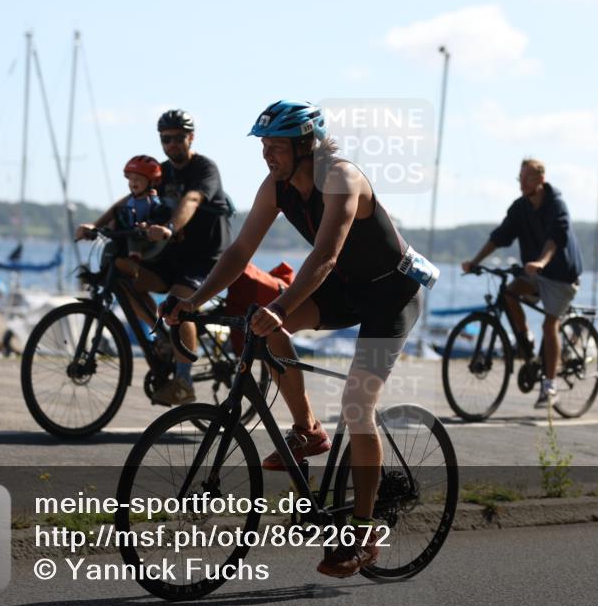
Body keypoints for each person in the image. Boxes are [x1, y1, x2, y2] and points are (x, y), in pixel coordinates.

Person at [162, 100, 425, 578]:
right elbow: (241, 250)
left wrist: (280, 307)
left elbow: (325, 254)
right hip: (347, 289)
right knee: (266, 328)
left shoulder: (342, 179)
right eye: (263, 145)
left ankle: (363, 535)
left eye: (276, 145)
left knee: (356, 406)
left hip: (391, 295)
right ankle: (308, 430)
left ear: (306, 145)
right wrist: (195, 300)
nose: (267, 154)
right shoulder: (278, 185)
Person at [76, 109, 232, 406]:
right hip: (170, 258)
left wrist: (170, 227)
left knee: (177, 306)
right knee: (122, 274)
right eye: (165, 139)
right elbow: (128, 202)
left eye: (177, 138)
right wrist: (95, 225)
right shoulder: (162, 171)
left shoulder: (204, 169)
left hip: (206, 259)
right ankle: (162, 336)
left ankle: (184, 382)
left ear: (191, 138)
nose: (170, 144)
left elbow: (192, 199)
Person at [462, 158, 583, 410]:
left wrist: (540, 262)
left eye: (527, 178)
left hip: (561, 275)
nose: (522, 183)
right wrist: (474, 261)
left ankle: (549, 387)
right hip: (535, 273)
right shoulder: (520, 208)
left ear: (541, 179)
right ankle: (525, 338)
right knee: (509, 293)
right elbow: (499, 236)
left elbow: (554, 239)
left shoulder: (556, 205)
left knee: (550, 324)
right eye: (520, 178)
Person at [113, 155, 169, 262]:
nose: (133, 182)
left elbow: (161, 214)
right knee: (110, 248)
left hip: (145, 237)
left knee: (134, 238)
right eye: (131, 179)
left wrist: (148, 224)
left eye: (138, 179)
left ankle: (133, 260)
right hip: (127, 233)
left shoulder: (153, 201)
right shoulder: (130, 200)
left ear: (152, 182)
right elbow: (123, 214)